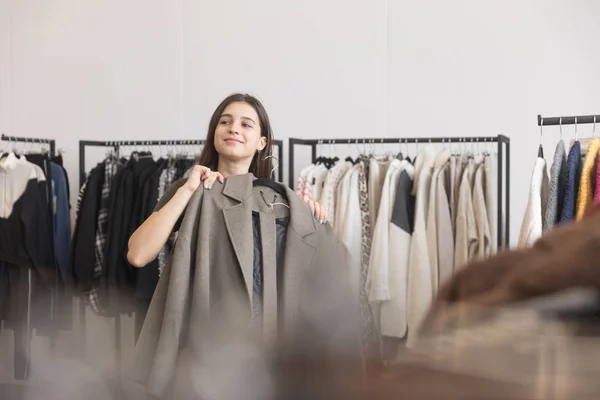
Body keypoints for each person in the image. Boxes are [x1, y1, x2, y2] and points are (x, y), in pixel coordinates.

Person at [127, 93, 327, 267]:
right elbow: (138, 255)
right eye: (225, 122)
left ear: (261, 142)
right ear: (214, 134)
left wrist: (305, 219)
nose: (233, 129)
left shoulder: (274, 201)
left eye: (246, 124)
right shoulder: (189, 189)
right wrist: (188, 190)